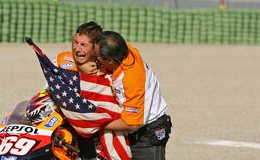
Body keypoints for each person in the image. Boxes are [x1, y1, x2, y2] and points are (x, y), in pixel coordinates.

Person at [93, 31, 172, 160]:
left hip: (146, 135)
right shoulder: (126, 49)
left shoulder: (130, 80)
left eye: (97, 57)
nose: (95, 59)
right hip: (135, 129)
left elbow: (132, 123)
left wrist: (95, 124)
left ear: (110, 60)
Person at [53, 21, 103, 160]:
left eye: (83, 45)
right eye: (75, 42)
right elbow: (48, 87)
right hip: (59, 119)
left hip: (88, 125)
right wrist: (79, 71)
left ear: (95, 48)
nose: (77, 48)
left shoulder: (103, 66)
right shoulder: (62, 58)